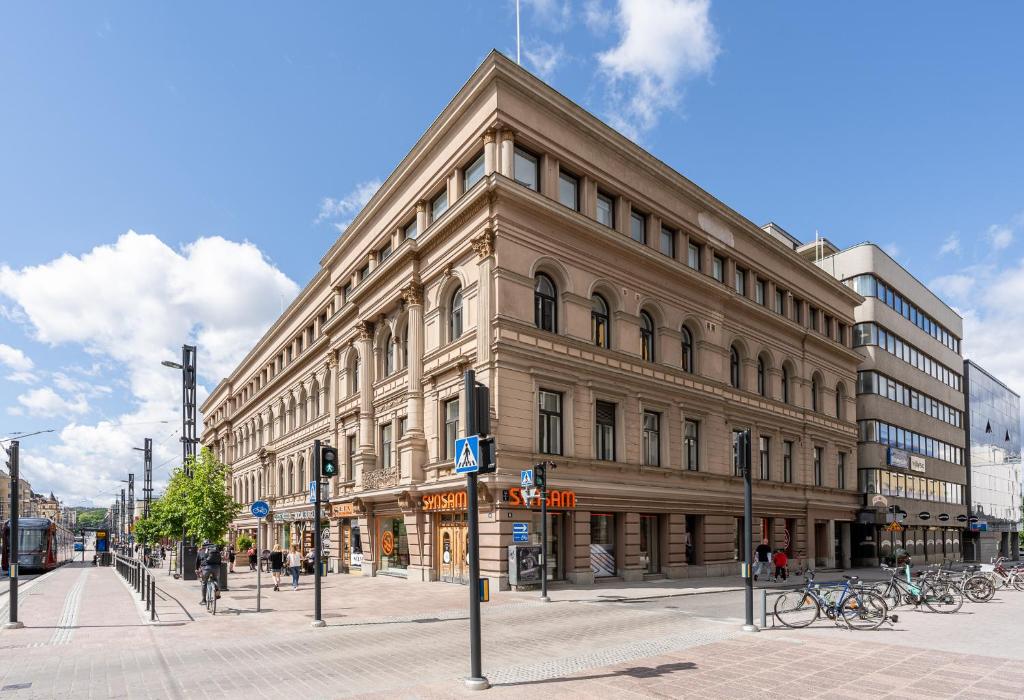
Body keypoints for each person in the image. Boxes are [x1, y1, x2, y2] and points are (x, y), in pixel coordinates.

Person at [196, 541, 223, 605]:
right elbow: (220, 560)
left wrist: (197, 569)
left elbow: (197, 562)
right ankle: (217, 592)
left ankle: (204, 600)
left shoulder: (201, 551)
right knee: (216, 579)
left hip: (206, 569)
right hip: (216, 568)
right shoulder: (215, 550)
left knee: (204, 583)